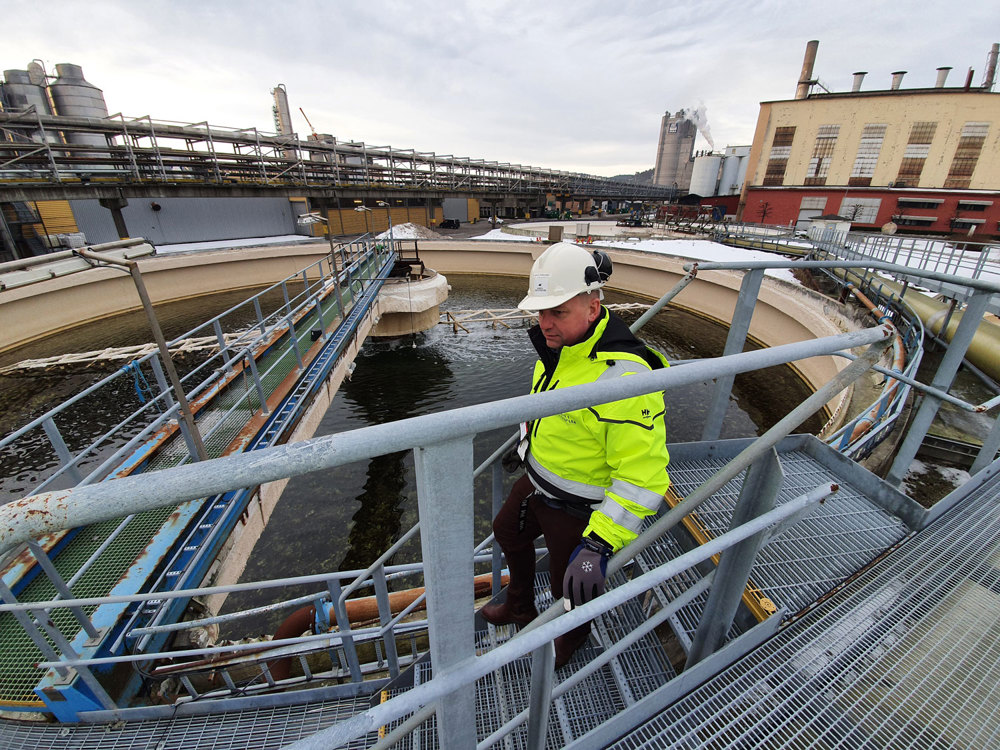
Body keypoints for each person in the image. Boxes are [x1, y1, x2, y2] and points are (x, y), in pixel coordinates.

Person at [480, 242, 671, 668]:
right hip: (540, 480)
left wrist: (600, 544)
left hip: (578, 506)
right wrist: (526, 447)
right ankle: (520, 606)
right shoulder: (558, 351)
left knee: (573, 585)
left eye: (558, 312)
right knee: (507, 531)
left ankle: (571, 640)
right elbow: (552, 412)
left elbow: (643, 475)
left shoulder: (622, 378)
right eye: (540, 312)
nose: (545, 324)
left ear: (593, 304)